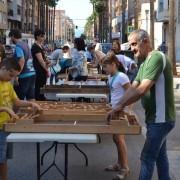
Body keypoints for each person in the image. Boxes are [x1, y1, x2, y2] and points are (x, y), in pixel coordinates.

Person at [107, 29, 175, 180]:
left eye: (134, 44)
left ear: (145, 41)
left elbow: (142, 90)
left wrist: (119, 107)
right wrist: (119, 105)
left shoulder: (157, 57)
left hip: (161, 120)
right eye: (130, 45)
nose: (131, 49)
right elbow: (132, 88)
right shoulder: (144, 64)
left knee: (146, 158)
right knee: (160, 157)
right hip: (155, 119)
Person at [0, 58, 41, 180]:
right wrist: (6, 110)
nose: (11, 78)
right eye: (10, 75)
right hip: (0, 128)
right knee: (0, 160)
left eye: (14, 76)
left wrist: (30, 104)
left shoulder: (7, 83)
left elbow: (16, 101)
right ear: (3, 69)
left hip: (7, 126)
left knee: (4, 160)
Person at [103, 53, 130, 180]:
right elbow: (115, 93)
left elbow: (131, 93)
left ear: (114, 64)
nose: (104, 69)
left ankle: (125, 168)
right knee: (115, 139)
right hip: (114, 111)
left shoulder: (122, 77)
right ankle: (119, 164)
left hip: (121, 112)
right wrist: (110, 104)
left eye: (106, 66)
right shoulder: (111, 76)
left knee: (119, 139)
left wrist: (128, 110)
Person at [8, 29, 36, 100]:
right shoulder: (25, 44)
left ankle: (17, 111)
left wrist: (17, 74)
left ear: (13, 36)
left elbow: (21, 60)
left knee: (18, 98)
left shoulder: (18, 46)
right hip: (32, 73)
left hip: (24, 75)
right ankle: (34, 110)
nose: (10, 40)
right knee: (31, 97)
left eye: (10, 37)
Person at [31, 29, 51, 100]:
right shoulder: (35, 47)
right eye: (42, 36)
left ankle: (41, 98)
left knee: (42, 86)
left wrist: (47, 61)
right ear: (37, 37)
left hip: (42, 70)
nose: (43, 38)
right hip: (39, 70)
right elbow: (41, 61)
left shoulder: (40, 46)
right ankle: (39, 101)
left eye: (43, 36)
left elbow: (44, 58)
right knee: (39, 87)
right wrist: (47, 70)